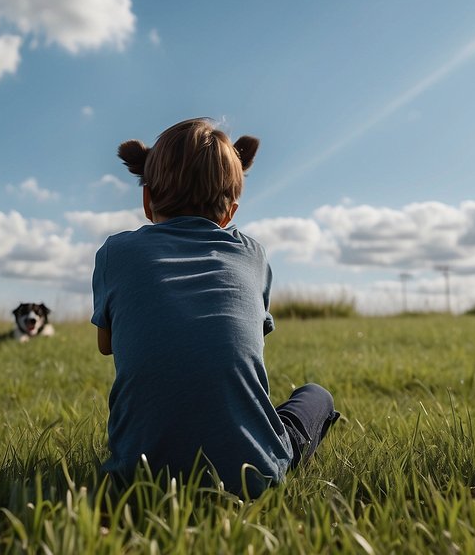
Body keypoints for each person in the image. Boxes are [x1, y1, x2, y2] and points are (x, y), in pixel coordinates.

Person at [91, 117, 339, 496]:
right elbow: (246, 343)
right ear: (231, 212)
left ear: (146, 200)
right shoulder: (252, 255)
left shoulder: (116, 252)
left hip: (136, 474)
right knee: (315, 395)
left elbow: (107, 344)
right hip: (252, 474)